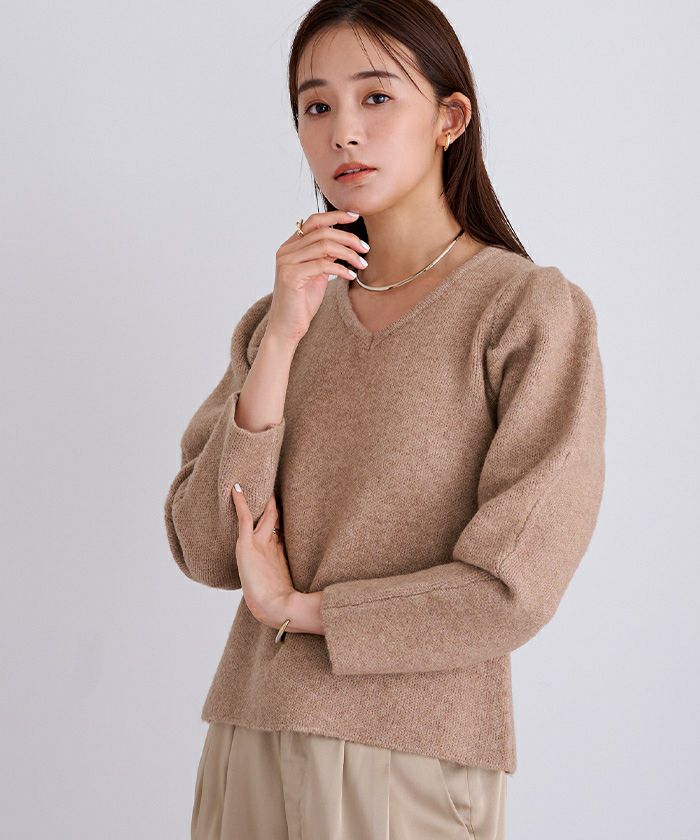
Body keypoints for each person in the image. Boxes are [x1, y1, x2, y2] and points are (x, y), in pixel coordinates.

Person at [163, 1, 606, 838]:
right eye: (316, 106)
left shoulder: (525, 311)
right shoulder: (278, 320)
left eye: (376, 97)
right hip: (250, 733)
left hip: (410, 754)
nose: (343, 133)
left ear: (449, 117)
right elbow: (206, 547)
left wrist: (300, 609)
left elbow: (512, 587)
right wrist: (282, 342)